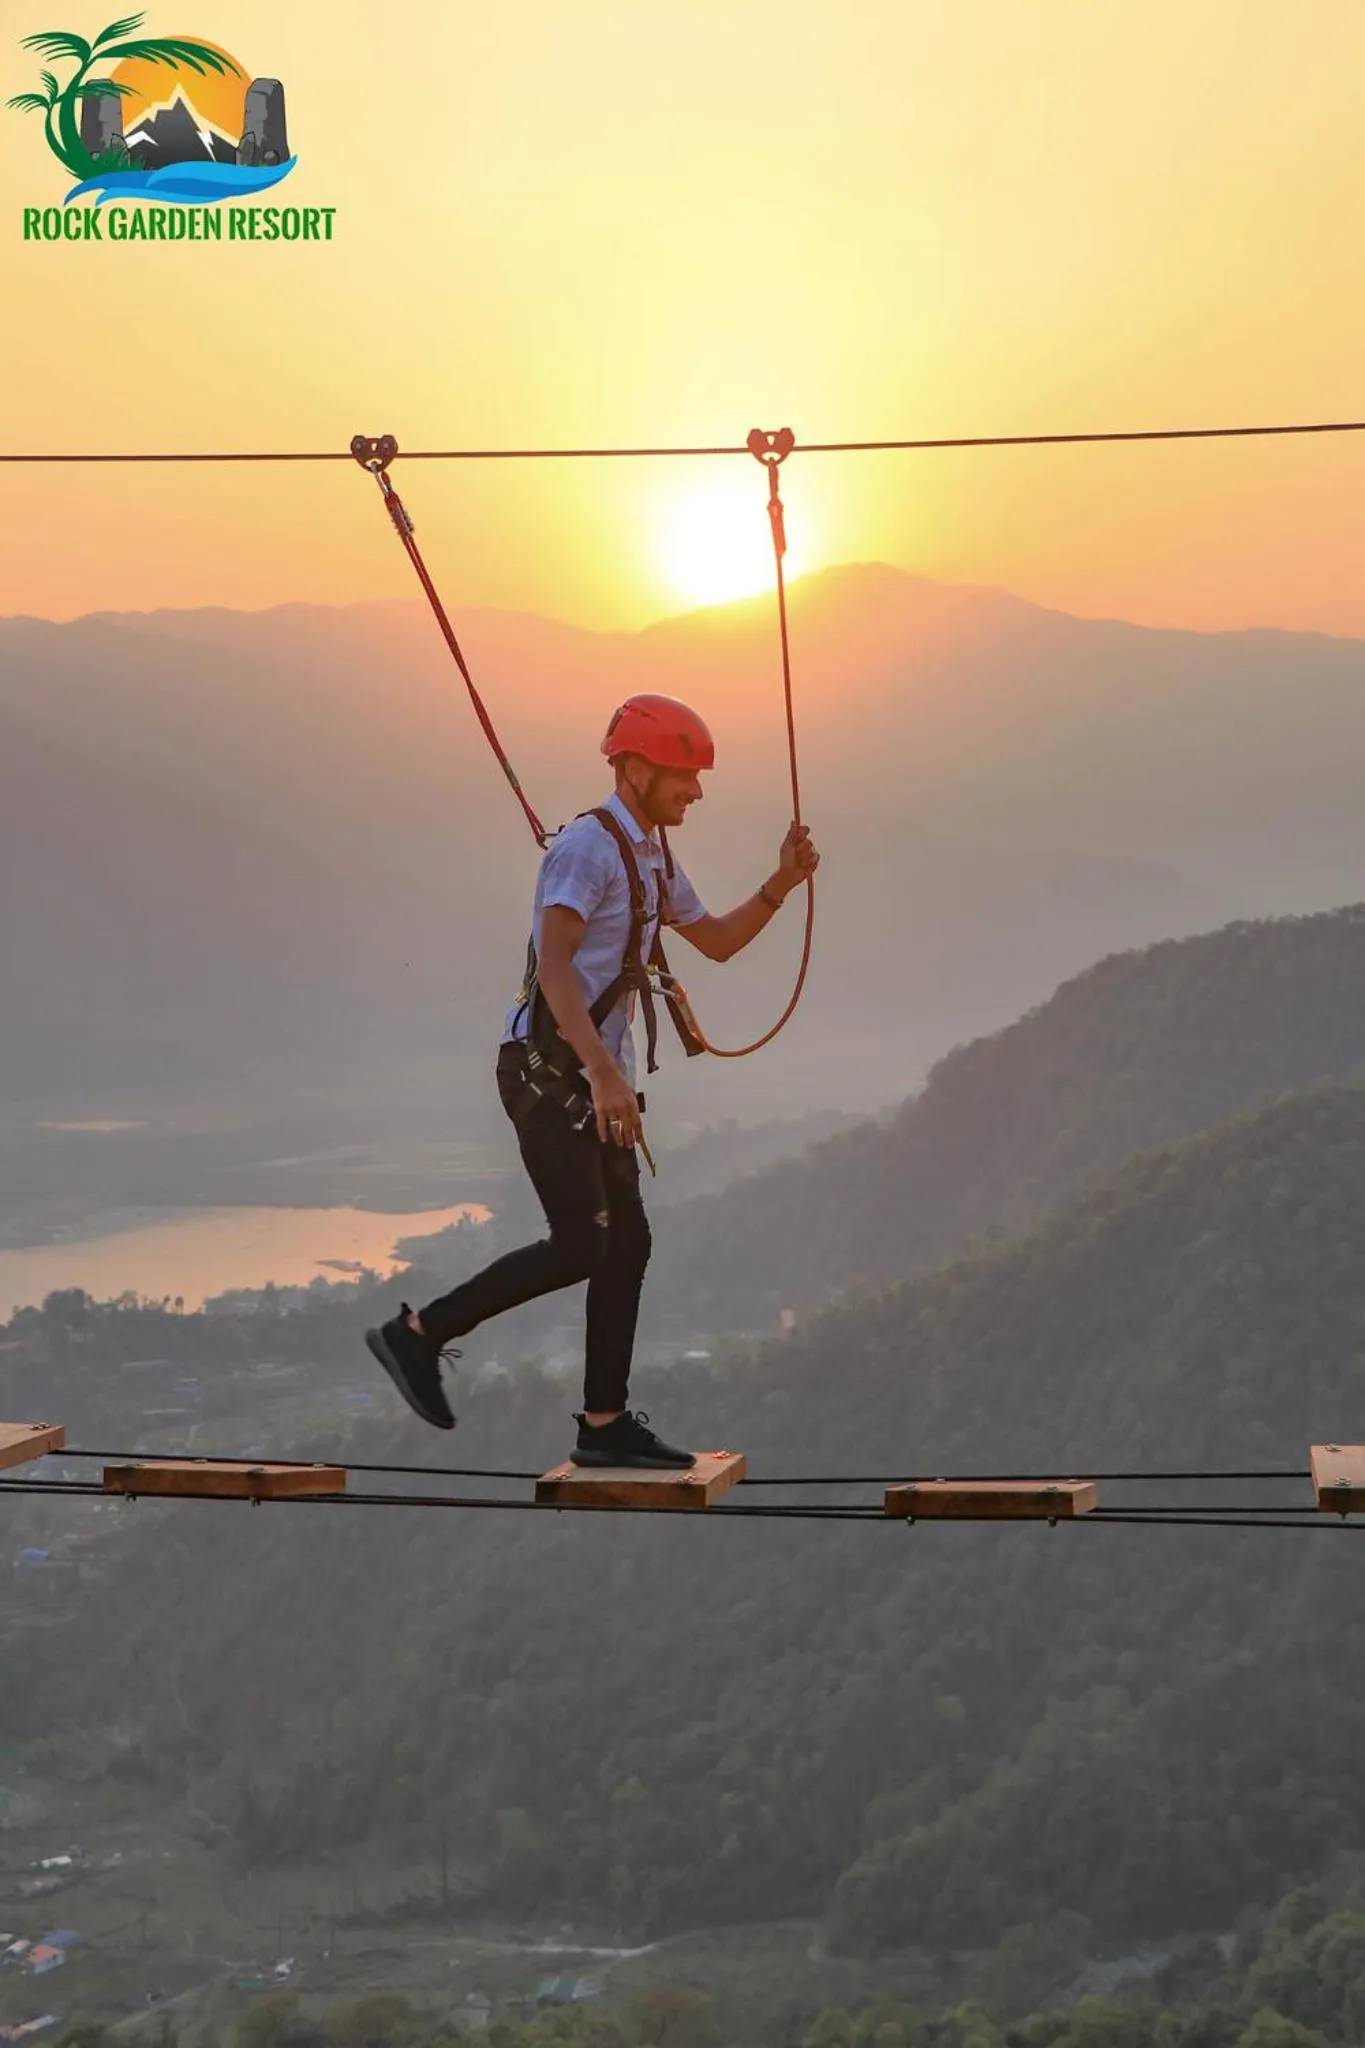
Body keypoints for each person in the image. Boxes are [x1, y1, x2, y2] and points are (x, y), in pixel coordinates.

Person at [365, 691, 820, 1467]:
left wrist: (779, 885)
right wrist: (606, 1075)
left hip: (588, 1077)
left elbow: (713, 942)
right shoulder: (587, 847)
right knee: (582, 1245)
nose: (696, 792)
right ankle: (418, 1334)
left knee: (627, 1245)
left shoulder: (650, 852)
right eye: (683, 775)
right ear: (635, 768)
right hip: (550, 1075)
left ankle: (603, 1425)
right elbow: (553, 967)